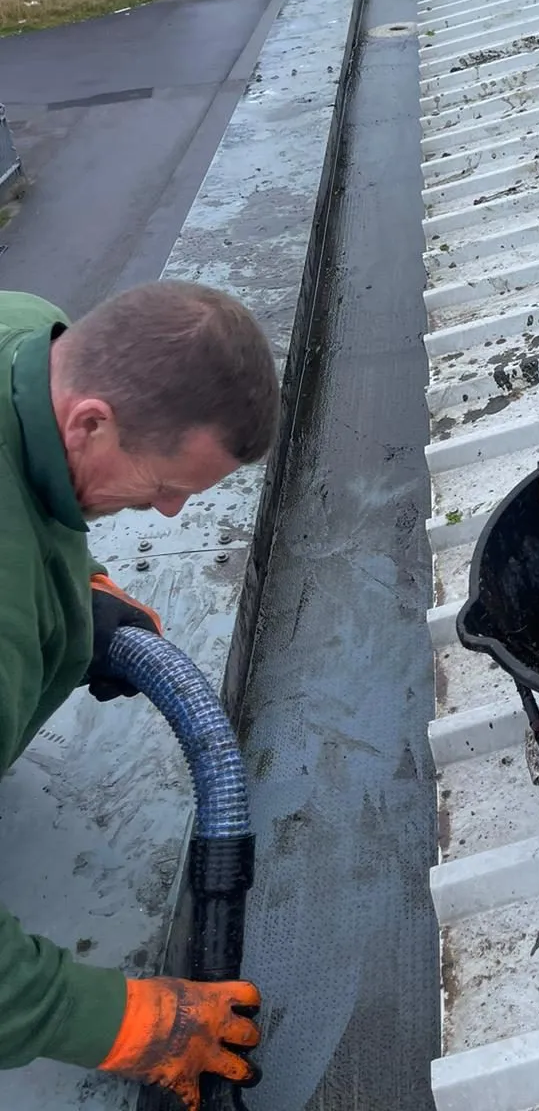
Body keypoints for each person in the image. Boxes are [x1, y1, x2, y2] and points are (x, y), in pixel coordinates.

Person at [0, 281, 281, 1109]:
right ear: (90, 421)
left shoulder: (26, 331)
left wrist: (72, 584)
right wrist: (121, 1024)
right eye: (164, 482)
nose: (170, 513)